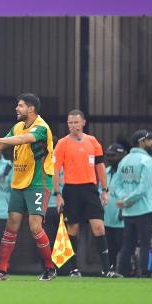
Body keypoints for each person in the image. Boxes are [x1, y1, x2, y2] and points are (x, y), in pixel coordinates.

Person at [0, 93, 56, 282]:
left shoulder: (41, 128)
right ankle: (2, 271)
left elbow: (20, 140)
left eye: (21, 106)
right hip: (19, 182)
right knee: (12, 225)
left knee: (35, 227)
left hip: (38, 183)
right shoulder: (18, 126)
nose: (17, 109)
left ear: (31, 108)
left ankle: (50, 268)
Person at [52, 109, 118, 277]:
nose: (73, 125)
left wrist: (104, 189)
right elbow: (55, 169)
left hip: (90, 189)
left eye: (76, 122)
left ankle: (106, 269)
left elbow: (100, 166)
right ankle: (74, 269)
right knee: (73, 228)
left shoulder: (93, 142)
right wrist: (57, 194)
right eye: (70, 122)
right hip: (71, 189)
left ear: (83, 123)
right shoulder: (62, 143)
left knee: (98, 226)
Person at [114, 129, 152, 278]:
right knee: (145, 244)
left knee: (128, 244)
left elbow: (116, 185)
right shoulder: (147, 161)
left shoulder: (124, 160)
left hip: (128, 211)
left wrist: (124, 199)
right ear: (141, 142)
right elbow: (143, 189)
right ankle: (145, 274)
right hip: (144, 209)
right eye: (149, 139)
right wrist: (128, 200)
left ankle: (122, 272)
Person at [103, 143, 125, 273]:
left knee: (123, 248)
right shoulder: (105, 172)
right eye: (108, 155)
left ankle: (124, 271)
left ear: (121, 156)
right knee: (109, 248)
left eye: (113, 155)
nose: (110, 158)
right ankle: (110, 271)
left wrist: (123, 209)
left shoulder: (125, 172)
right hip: (107, 218)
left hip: (121, 219)